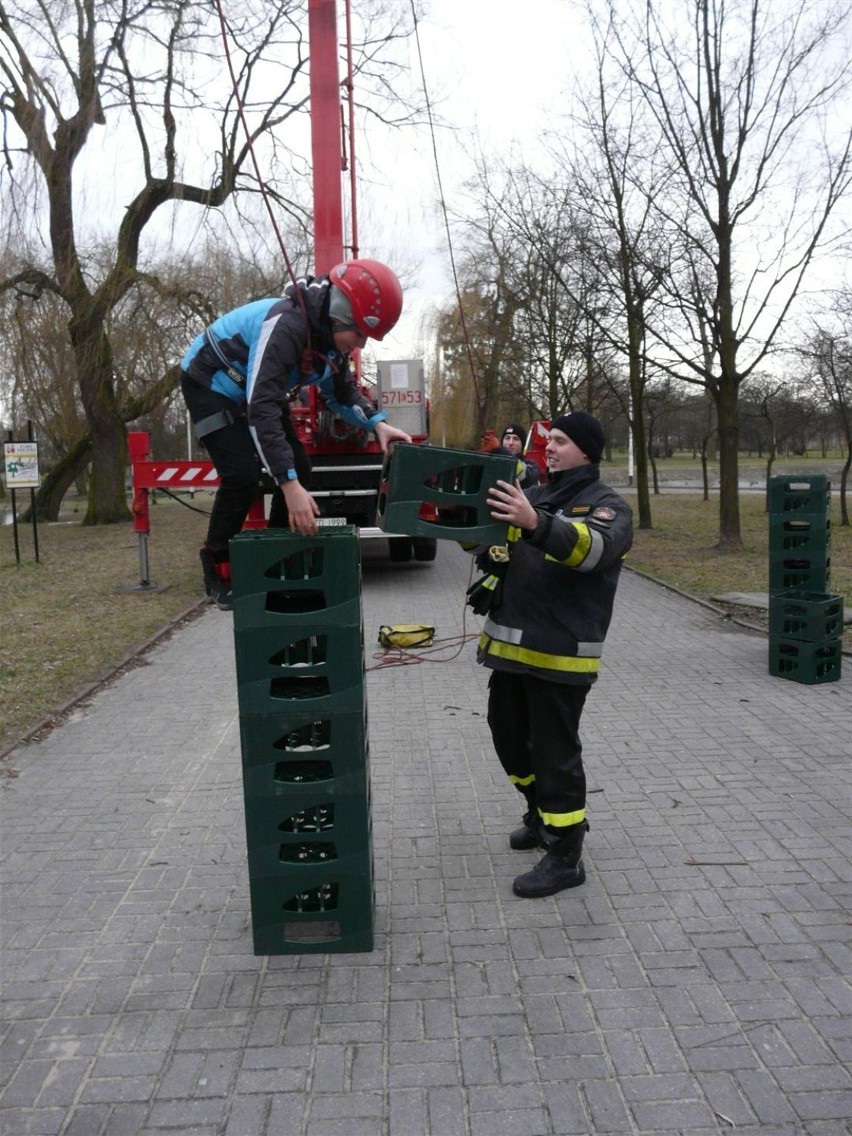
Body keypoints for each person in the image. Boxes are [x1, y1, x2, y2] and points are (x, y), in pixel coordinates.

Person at [180, 259, 412, 609]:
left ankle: (273, 562)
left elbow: (343, 393)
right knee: (242, 475)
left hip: (254, 390)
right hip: (210, 380)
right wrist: (287, 487)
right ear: (341, 314)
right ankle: (217, 566)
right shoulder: (287, 326)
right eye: (360, 334)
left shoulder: (330, 343)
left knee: (301, 467)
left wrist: (377, 423)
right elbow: (261, 408)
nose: (360, 345)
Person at [473, 411, 633, 898]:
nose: (551, 447)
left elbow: (591, 551)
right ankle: (539, 813)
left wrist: (534, 523)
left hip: (560, 656)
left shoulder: (607, 506)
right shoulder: (536, 494)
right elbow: (493, 541)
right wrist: (488, 549)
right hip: (510, 650)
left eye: (561, 440)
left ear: (586, 450)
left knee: (554, 754)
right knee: (508, 739)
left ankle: (566, 854)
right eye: (549, 439)